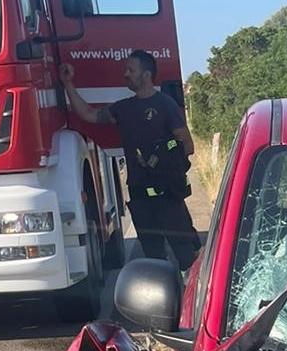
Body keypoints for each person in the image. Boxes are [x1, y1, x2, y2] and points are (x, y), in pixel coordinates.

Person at [59, 50, 200, 271]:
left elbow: (187, 146)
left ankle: (193, 300)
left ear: (146, 75)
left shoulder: (165, 105)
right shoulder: (124, 108)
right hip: (140, 196)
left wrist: (161, 154)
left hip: (168, 195)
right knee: (153, 259)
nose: (125, 74)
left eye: (130, 70)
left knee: (186, 254)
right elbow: (89, 114)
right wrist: (68, 84)